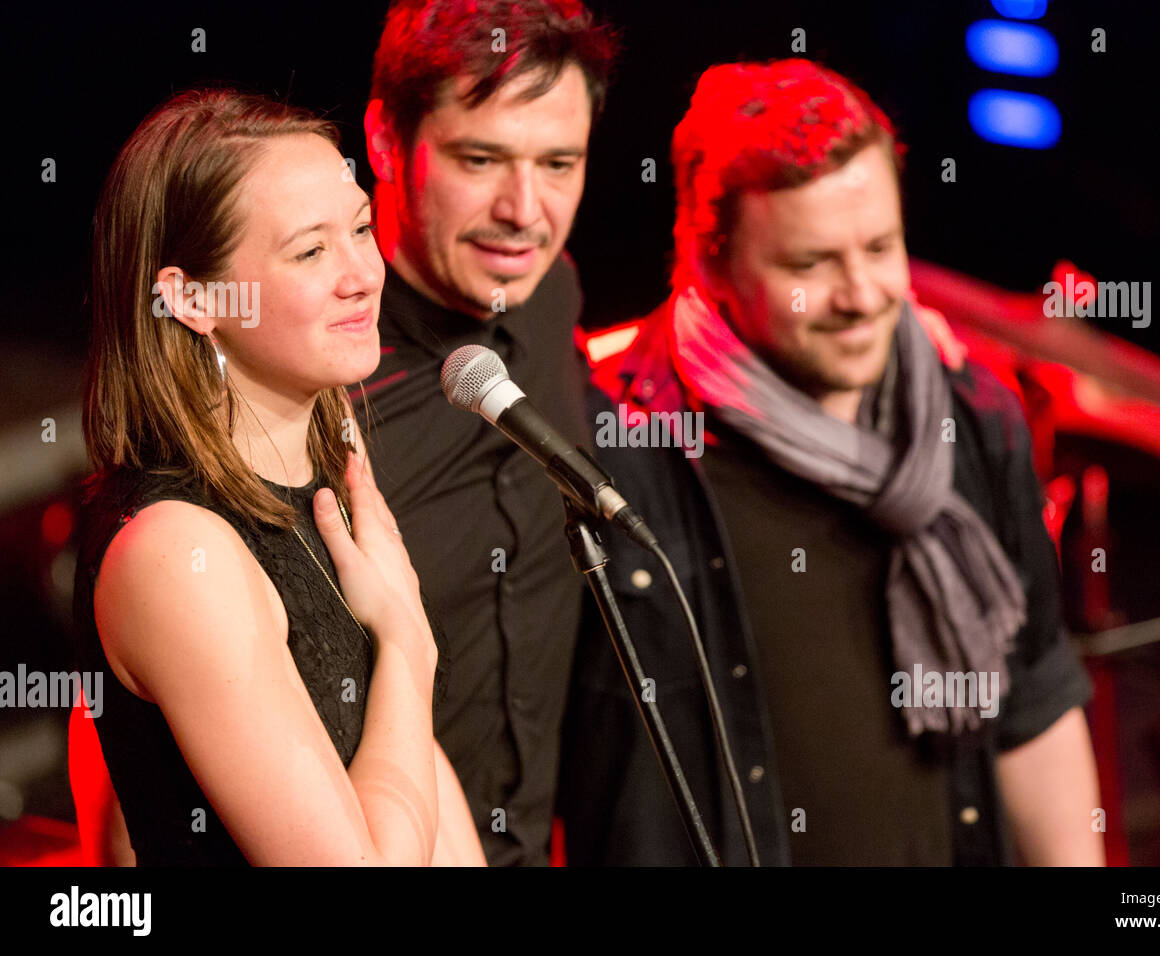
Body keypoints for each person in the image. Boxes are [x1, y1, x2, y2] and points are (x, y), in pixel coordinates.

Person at [558, 59, 1105, 866]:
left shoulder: (969, 414)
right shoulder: (613, 451)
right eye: (811, 266)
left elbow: (1033, 704)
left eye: (881, 246)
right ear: (707, 261)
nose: (862, 294)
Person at [70, 89, 480, 865]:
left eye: (360, 227)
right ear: (192, 298)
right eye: (309, 251)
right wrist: (407, 646)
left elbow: (412, 760)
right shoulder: (175, 550)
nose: (363, 273)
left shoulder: (329, 479)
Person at [357, 0, 617, 865]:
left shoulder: (552, 295)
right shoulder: (315, 383)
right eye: (481, 159)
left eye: (560, 163)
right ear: (388, 143)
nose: (525, 210)